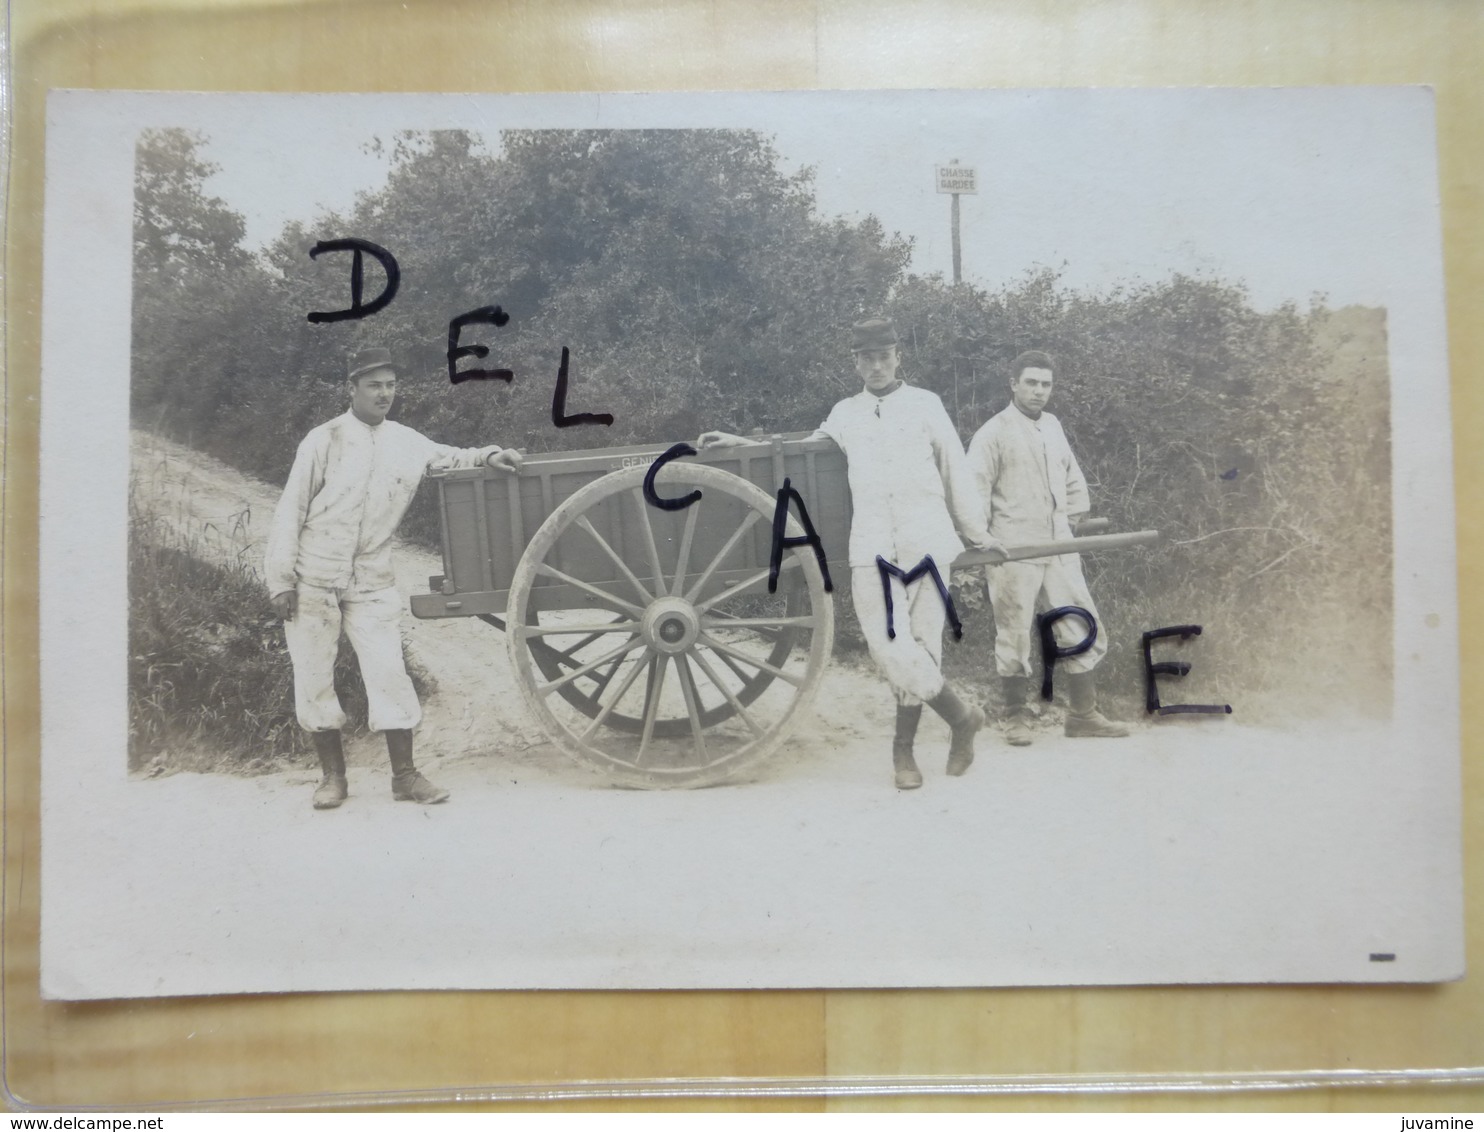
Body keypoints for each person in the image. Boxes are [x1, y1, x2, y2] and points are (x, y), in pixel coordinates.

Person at [700, 317, 996, 790]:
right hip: (873, 543)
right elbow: (803, 451)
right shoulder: (845, 413)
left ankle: (904, 754)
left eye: (884, 356)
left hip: (927, 537)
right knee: (887, 642)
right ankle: (962, 717)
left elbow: (955, 468)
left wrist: (976, 532)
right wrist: (745, 445)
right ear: (855, 363)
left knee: (923, 641)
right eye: (867, 358)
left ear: (898, 357)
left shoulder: (926, 405)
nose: (877, 366)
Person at [264, 346, 523, 810]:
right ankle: (332, 778)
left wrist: (489, 454)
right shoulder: (323, 440)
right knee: (314, 674)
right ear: (352, 389)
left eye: (390, 385)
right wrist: (281, 580)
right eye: (374, 385)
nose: (384, 394)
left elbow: (452, 456)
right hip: (314, 575)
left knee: (388, 671)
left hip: (371, 577)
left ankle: (404, 775)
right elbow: (290, 510)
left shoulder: (406, 440)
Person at [967, 350, 1128, 745]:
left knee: (1078, 622)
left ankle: (1083, 714)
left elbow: (1072, 477)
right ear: (1013, 383)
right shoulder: (993, 433)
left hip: (1057, 544)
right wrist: (983, 540)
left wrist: (1072, 517)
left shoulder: (1053, 426)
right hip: (1012, 549)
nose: (1039, 391)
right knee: (1015, 631)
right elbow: (973, 493)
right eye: (1031, 382)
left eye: (1046, 384)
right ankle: (1016, 716)